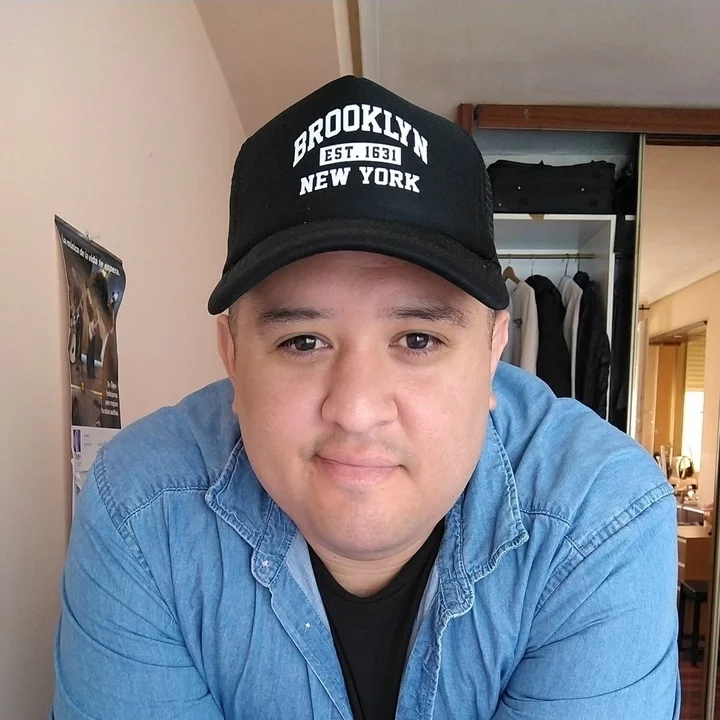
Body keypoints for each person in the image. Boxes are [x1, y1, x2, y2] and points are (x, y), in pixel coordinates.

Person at [52, 76, 679, 720]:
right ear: (233, 356)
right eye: (303, 341)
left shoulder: (599, 520)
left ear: (494, 351)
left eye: (417, 339)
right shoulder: (142, 511)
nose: (355, 410)